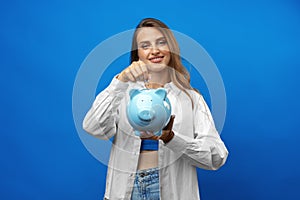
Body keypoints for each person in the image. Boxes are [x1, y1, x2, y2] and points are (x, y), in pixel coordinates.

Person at [83, 18, 228, 200]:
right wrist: (120, 81)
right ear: (137, 55)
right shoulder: (122, 93)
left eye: (161, 42)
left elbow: (216, 156)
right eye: (145, 45)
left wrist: (172, 139)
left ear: (171, 48)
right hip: (124, 192)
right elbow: (93, 128)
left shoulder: (191, 99)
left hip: (172, 193)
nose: (155, 50)